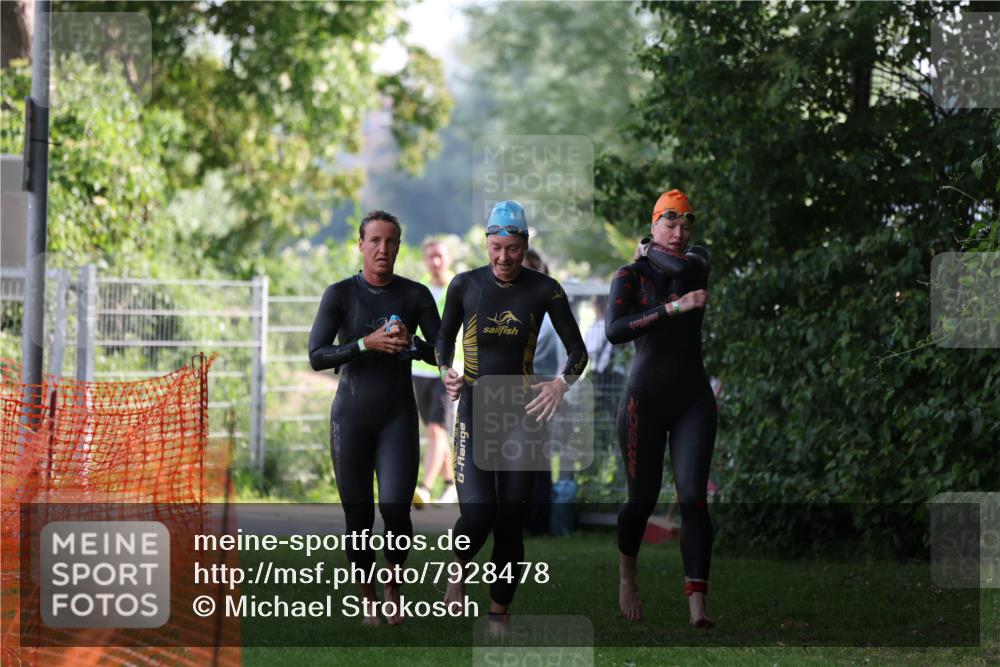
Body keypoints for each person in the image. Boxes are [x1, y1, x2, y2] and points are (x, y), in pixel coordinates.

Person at [436, 200, 588, 628]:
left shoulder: (545, 289)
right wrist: (446, 371)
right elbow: (443, 339)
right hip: (474, 410)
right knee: (479, 513)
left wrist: (561, 382)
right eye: (496, 247)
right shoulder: (464, 285)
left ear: (525, 245)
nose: (503, 258)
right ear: (487, 242)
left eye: (513, 249)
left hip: (523, 414)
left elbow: (578, 350)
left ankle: (498, 615)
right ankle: (459, 564)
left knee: (510, 520)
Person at [308, 210, 440, 626]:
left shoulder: (416, 295)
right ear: (361, 245)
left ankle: (393, 590)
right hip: (351, 418)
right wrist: (363, 344)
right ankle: (368, 600)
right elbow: (316, 356)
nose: (383, 249)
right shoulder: (340, 294)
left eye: (391, 242)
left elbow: (442, 354)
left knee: (397, 510)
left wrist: (412, 344)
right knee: (359, 517)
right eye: (375, 241)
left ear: (399, 246)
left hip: (398, 417)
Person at [605, 189, 717, 628]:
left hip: (692, 399)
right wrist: (671, 308)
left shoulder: (697, 262)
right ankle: (627, 573)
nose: (678, 232)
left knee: (692, 498)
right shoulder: (629, 276)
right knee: (641, 499)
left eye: (686, 224)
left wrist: (651, 253)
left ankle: (697, 604)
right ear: (653, 225)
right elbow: (615, 330)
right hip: (643, 400)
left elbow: (681, 266)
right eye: (669, 224)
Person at [412, 238, 458, 507]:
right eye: (431, 257)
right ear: (425, 260)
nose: (436, 261)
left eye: (440, 256)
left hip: (449, 369)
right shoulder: (419, 290)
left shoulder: (459, 287)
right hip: (420, 370)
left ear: (448, 258)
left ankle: (425, 488)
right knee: (433, 430)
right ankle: (451, 485)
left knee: (436, 429)